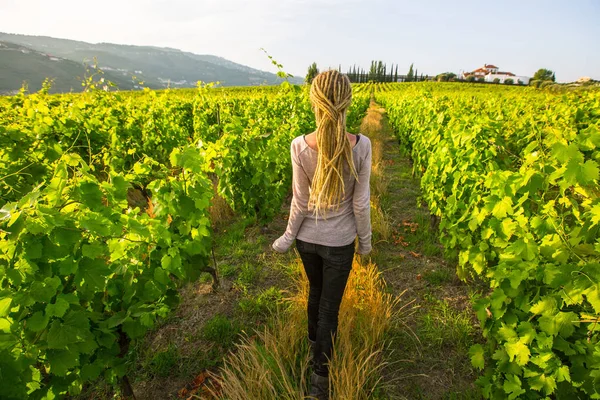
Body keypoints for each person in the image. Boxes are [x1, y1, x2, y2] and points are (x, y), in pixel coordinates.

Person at [272, 70, 372, 400]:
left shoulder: (300, 146)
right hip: (340, 243)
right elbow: (360, 204)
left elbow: (299, 201)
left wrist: (287, 238)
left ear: (313, 101)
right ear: (348, 102)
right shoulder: (361, 147)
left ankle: (314, 347)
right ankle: (320, 377)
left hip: (307, 241)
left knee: (315, 293)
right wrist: (366, 242)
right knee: (330, 309)